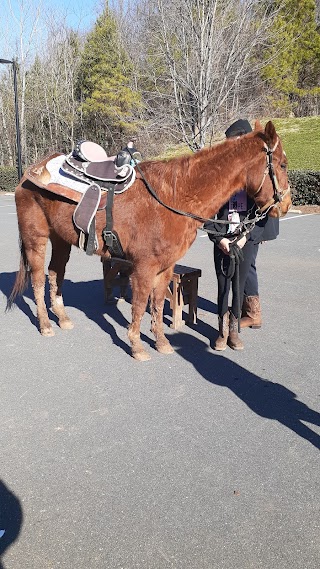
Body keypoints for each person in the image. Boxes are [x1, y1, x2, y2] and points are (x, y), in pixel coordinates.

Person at [205, 119, 272, 351]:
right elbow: (209, 213)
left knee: (238, 285)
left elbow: (257, 211)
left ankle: (234, 332)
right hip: (223, 241)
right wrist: (219, 239)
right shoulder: (218, 175)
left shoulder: (252, 174)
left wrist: (244, 236)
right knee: (223, 287)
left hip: (243, 240)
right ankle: (221, 332)